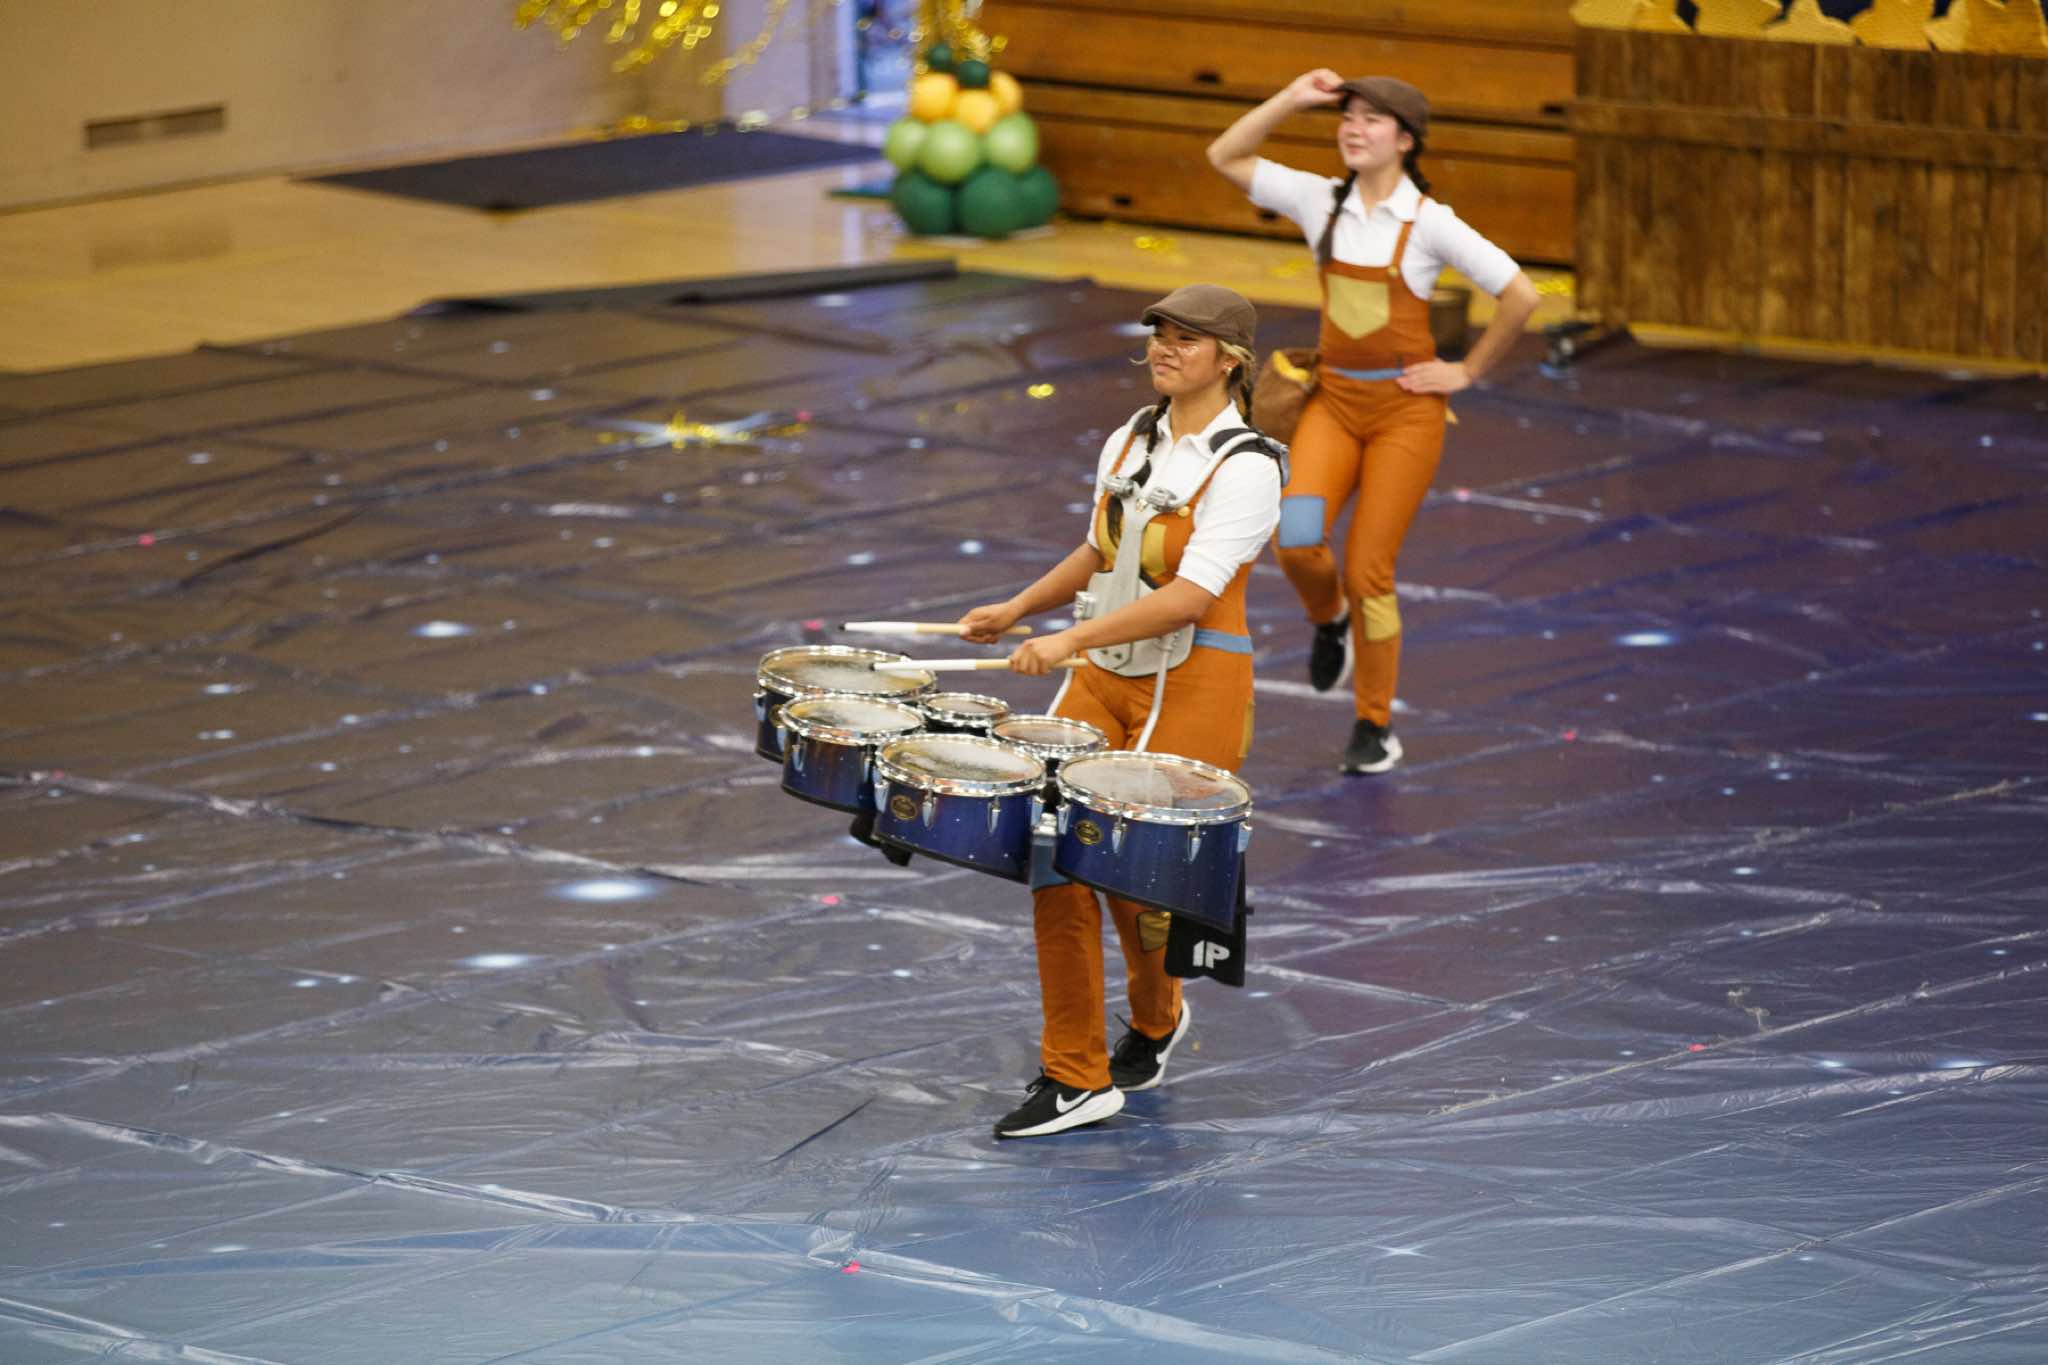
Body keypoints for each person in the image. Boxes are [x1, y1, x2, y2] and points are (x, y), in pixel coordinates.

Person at [959, 284, 1282, 1139]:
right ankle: (1077, 1075)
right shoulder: (1131, 435)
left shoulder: (1248, 466)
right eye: (1160, 333)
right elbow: (1100, 549)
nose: (1165, 347)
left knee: (1138, 879)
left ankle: (1157, 1014)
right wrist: (1019, 608)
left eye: (1187, 338)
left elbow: (1188, 597)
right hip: (1104, 673)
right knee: (1055, 855)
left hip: (1196, 679)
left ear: (1231, 360)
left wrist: (1068, 639)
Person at [1208, 71, 1540, 774]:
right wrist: (1291, 99)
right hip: (1333, 403)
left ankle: (1374, 723)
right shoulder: (1320, 201)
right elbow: (1225, 156)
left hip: (1405, 416)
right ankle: (1328, 620)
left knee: (1369, 572)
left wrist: (1467, 370)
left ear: (1406, 139)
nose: (1353, 128)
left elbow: (1521, 294)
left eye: (1372, 119)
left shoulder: (1430, 222)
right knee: (1296, 539)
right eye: (1347, 115)